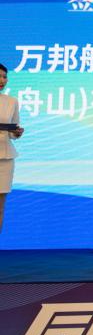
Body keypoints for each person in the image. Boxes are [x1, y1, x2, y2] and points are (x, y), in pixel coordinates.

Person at [0, 64, 24, 233]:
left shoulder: (12, 101)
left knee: (0, 207)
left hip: (5, 159)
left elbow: (13, 132)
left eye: (4, 77)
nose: (2, 80)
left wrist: (17, 132)